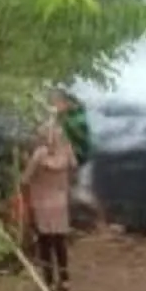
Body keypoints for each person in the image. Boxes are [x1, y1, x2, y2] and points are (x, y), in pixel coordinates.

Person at [22, 115, 78, 291]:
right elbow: (74, 168)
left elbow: (25, 179)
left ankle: (49, 280)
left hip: (41, 203)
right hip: (60, 202)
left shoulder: (39, 154)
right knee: (60, 242)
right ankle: (65, 279)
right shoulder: (67, 151)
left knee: (45, 242)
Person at [54, 89, 104, 225]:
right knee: (70, 190)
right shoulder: (66, 116)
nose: (55, 106)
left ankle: (99, 221)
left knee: (82, 192)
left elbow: (75, 137)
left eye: (57, 102)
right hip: (73, 157)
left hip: (82, 158)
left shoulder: (77, 119)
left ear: (66, 102)